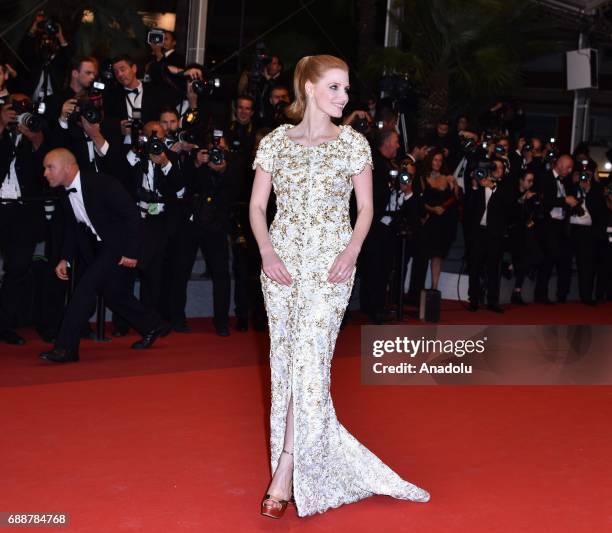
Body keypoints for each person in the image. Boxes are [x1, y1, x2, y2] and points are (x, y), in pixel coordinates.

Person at [249, 54, 430, 519]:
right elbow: (255, 207)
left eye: (346, 89)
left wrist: (349, 254)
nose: (343, 97)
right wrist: (268, 253)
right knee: (286, 364)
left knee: (311, 362)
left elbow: (366, 209)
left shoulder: (353, 144)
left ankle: (286, 470)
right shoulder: (275, 143)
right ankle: (299, 456)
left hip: (331, 270)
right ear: (309, 88)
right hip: (282, 266)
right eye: (334, 88)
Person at [39, 148, 169, 363]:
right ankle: (153, 325)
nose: (45, 173)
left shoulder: (103, 184)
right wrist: (65, 258)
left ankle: (65, 349)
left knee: (84, 289)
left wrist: (131, 252)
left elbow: (132, 217)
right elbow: (73, 228)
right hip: (101, 246)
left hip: (123, 244)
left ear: (69, 167)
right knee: (112, 293)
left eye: (50, 167)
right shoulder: (64, 191)